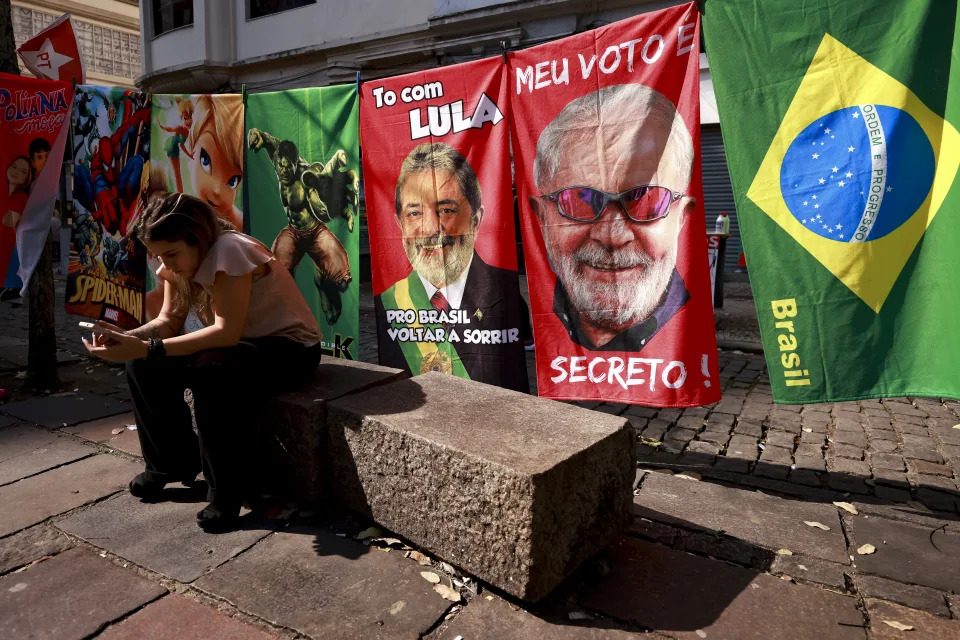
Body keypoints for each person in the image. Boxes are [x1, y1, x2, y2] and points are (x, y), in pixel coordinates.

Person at [83, 192, 323, 531]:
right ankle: (168, 464)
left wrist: (147, 347)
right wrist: (128, 339)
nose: (164, 265)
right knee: (142, 365)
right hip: (238, 344)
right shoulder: (181, 260)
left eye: (171, 254)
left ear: (198, 239)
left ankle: (226, 493)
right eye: (157, 256)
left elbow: (225, 332)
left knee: (212, 373)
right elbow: (168, 321)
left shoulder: (230, 250)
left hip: (288, 349)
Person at [528, 83, 696, 352]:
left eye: (645, 200)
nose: (612, 237)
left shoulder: (688, 333)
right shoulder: (537, 318)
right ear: (541, 217)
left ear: (682, 217)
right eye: (580, 200)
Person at [375, 142, 528, 392]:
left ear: (476, 220)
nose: (431, 229)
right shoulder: (388, 302)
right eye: (414, 213)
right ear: (400, 225)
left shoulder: (504, 291)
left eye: (446, 210)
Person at [247, 127, 356, 325]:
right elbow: (272, 142)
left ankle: (322, 281)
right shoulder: (279, 163)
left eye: (288, 167)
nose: (284, 171)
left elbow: (325, 207)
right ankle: (289, 317)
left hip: (314, 232)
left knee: (341, 282)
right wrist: (259, 135)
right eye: (281, 166)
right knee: (275, 276)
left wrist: (317, 193)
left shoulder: (306, 175)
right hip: (293, 233)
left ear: (296, 163)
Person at [185, 95, 244, 231]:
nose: (217, 190)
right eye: (206, 160)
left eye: (233, 181)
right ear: (192, 147)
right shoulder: (185, 217)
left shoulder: (239, 227)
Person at [158, 96, 193, 193]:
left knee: (178, 171)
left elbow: (181, 145)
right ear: (181, 118)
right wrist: (161, 126)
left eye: (190, 117)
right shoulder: (180, 128)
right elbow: (170, 129)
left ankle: (180, 194)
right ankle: (179, 194)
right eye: (186, 118)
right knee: (176, 172)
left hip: (175, 147)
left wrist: (190, 155)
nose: (189, 121)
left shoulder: (187, 132)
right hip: (170, 145)